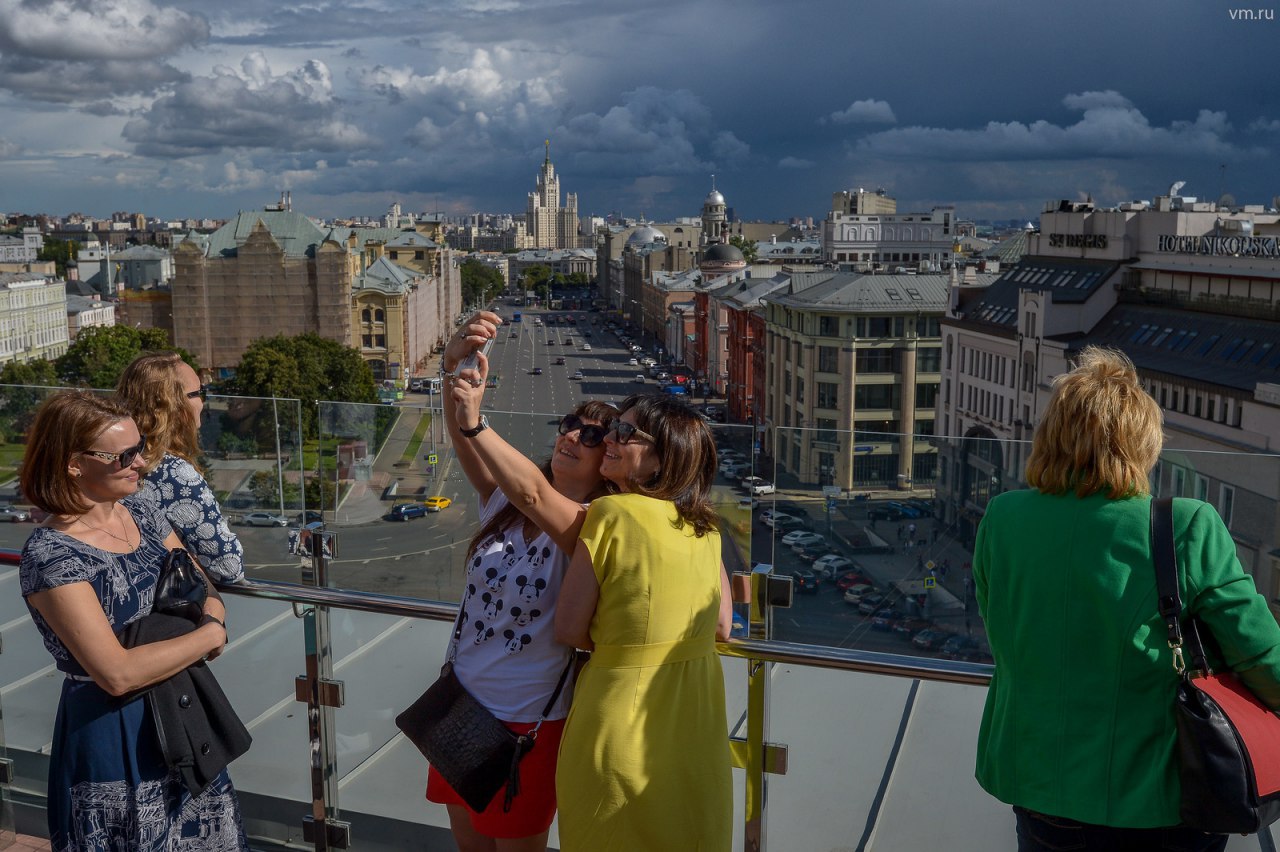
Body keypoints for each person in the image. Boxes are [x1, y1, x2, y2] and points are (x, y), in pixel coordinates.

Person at [973, 347, 1280, 852]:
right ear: (1143, 442)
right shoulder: (1186, 524)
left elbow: (1008, 633)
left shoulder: (1003, 519)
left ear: (1048, 436)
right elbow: (1262, 657)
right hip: (1152, 801)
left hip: (1038, 788)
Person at [18, 390, 248, 850]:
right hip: (114, 733)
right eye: (124, 454)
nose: (141, 462)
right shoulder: (52, 556)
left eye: (140, 447)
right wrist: (209, 634)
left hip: (183, 714)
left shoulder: (141, 509)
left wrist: (210, 619)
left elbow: (203, 588)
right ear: (73, 464)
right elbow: (117, 674)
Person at [427, 311, 618, 852]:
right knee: (470, 847)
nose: (574, 436)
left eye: (594, 434)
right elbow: (475, 453)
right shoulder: (504, 507)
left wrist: (476, 420)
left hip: (524, 724)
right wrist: (452, 370)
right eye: (570, 424)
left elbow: (535, 493)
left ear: (610, 458)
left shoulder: (591, 527)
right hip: (461, 703)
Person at [555, 393, 733, 852]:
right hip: (697, 723)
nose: (611, 439)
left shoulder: (611, 513)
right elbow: (721, 629)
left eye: (626, 433)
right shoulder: (706, 529)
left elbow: (569, 628)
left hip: (621, 718)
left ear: (661, 458)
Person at [116, 351, 245, 583]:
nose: (203, 401)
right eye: (198, 393)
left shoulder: (115, 460)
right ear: (171, 404)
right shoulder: (171, 473)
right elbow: (228, 567)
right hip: (161, 611)